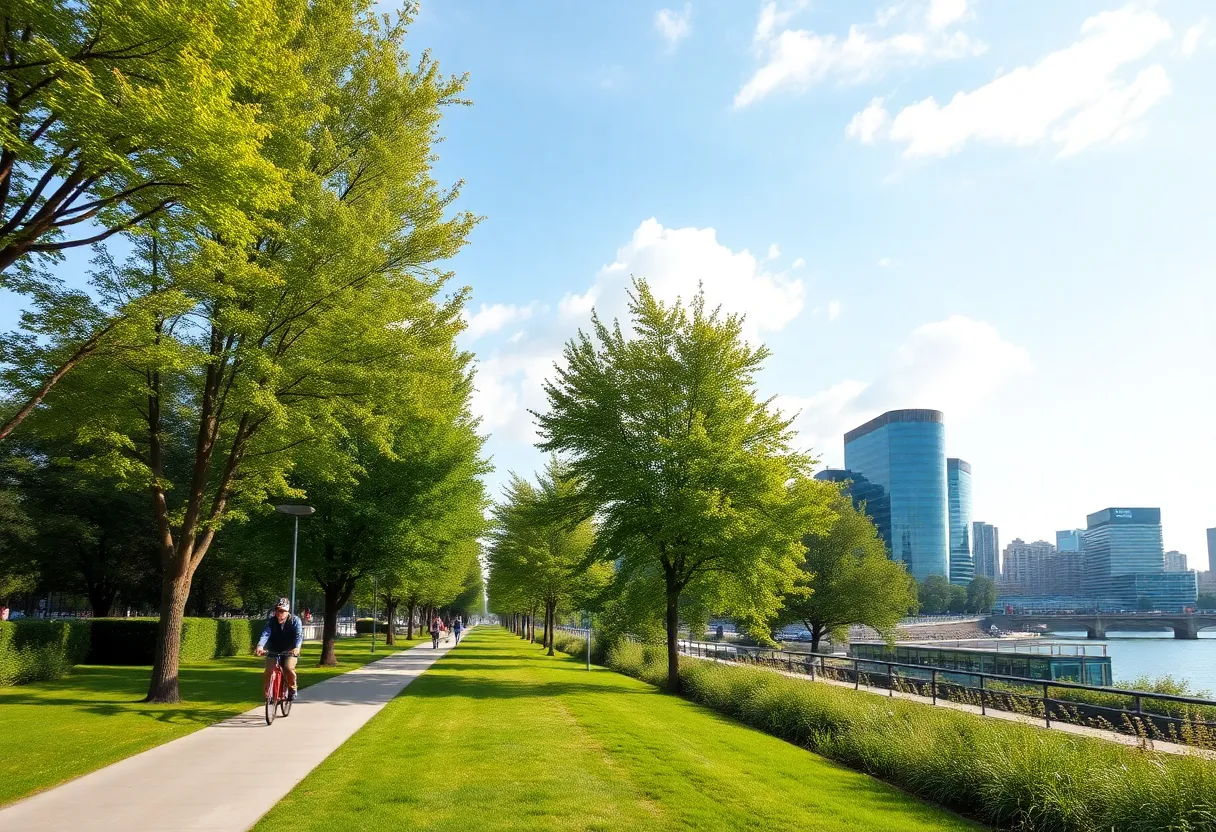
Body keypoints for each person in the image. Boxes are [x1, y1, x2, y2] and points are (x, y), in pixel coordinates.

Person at [256, 598, 303, 701]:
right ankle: (268, 692)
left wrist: (296, 647)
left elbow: (298, 635)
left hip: (290, 650)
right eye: (277, 610)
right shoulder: (271, 621)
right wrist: (260, 646)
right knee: (268, 671)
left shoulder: (295, 620)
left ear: (287, 612)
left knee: (288, 667)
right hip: (274, 649)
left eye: (282, 611)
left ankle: (292, 687)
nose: (278, 613)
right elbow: (266, 633)